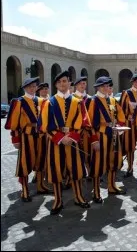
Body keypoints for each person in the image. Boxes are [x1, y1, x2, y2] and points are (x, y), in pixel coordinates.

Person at [38, 71, 91, 215]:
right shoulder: (49, 103)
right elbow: (44, 125)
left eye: (65, 81)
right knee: (56, 172)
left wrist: (72, 137)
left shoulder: (78, 102)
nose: (63, 84)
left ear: (69, 83)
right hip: (55, 143)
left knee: (76, 170)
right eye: (60, 81)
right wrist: (61, 138)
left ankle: (78, 197)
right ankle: (58, 200)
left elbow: (83, 122)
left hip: (73, 142)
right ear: (56, 84)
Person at [5, 77, 51, 202]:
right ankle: (25, 190)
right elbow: (14, 123)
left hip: (40, 136)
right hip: (26, 137)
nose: (32, 88)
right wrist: (15, 139)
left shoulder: (42, 101)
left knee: (41, 161)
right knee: (25, 163)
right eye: (30, 86)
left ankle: (41, 185)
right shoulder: (19, 102)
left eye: (34, 86)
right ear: (25, 88)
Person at [86, 77, 127, 203]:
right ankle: (96, 192)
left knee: (113, 162)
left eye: (107, 85)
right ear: (98, 87)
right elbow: (89, 123)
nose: (105, 88)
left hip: (113, 135)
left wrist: (119, 126)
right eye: (102, 86)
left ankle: (111, 186)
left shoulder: (112, 100)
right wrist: (94, 140)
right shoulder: (93, 101)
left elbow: (120, 116)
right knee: (98, 164)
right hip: (100, 136)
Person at [119, 73, 137, 178]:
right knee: (129, 146)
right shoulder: (126, 93)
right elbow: (121, 109)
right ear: (132, 82)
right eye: (135, 81)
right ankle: (130, 167)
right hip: (129, 124)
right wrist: (127, 117)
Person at [31, 82, 50, 184]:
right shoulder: (35, 101)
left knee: (49, 153)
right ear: (39, 90)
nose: (44, 90)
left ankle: (48, 172)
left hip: (49, 132)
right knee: (38, 154)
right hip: (38, 133)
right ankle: (37, 174)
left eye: (46, 89)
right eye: (42, 89)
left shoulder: (51, 100)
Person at [71, 76, 92, 173]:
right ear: (76, 86)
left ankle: (89, 171)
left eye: (84, 83)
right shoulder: (72, 98)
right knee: (75, 153)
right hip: (76, 130)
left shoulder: (90, 98)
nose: (82, 85)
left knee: (88, 151)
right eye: (80, 84)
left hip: (88, 130)